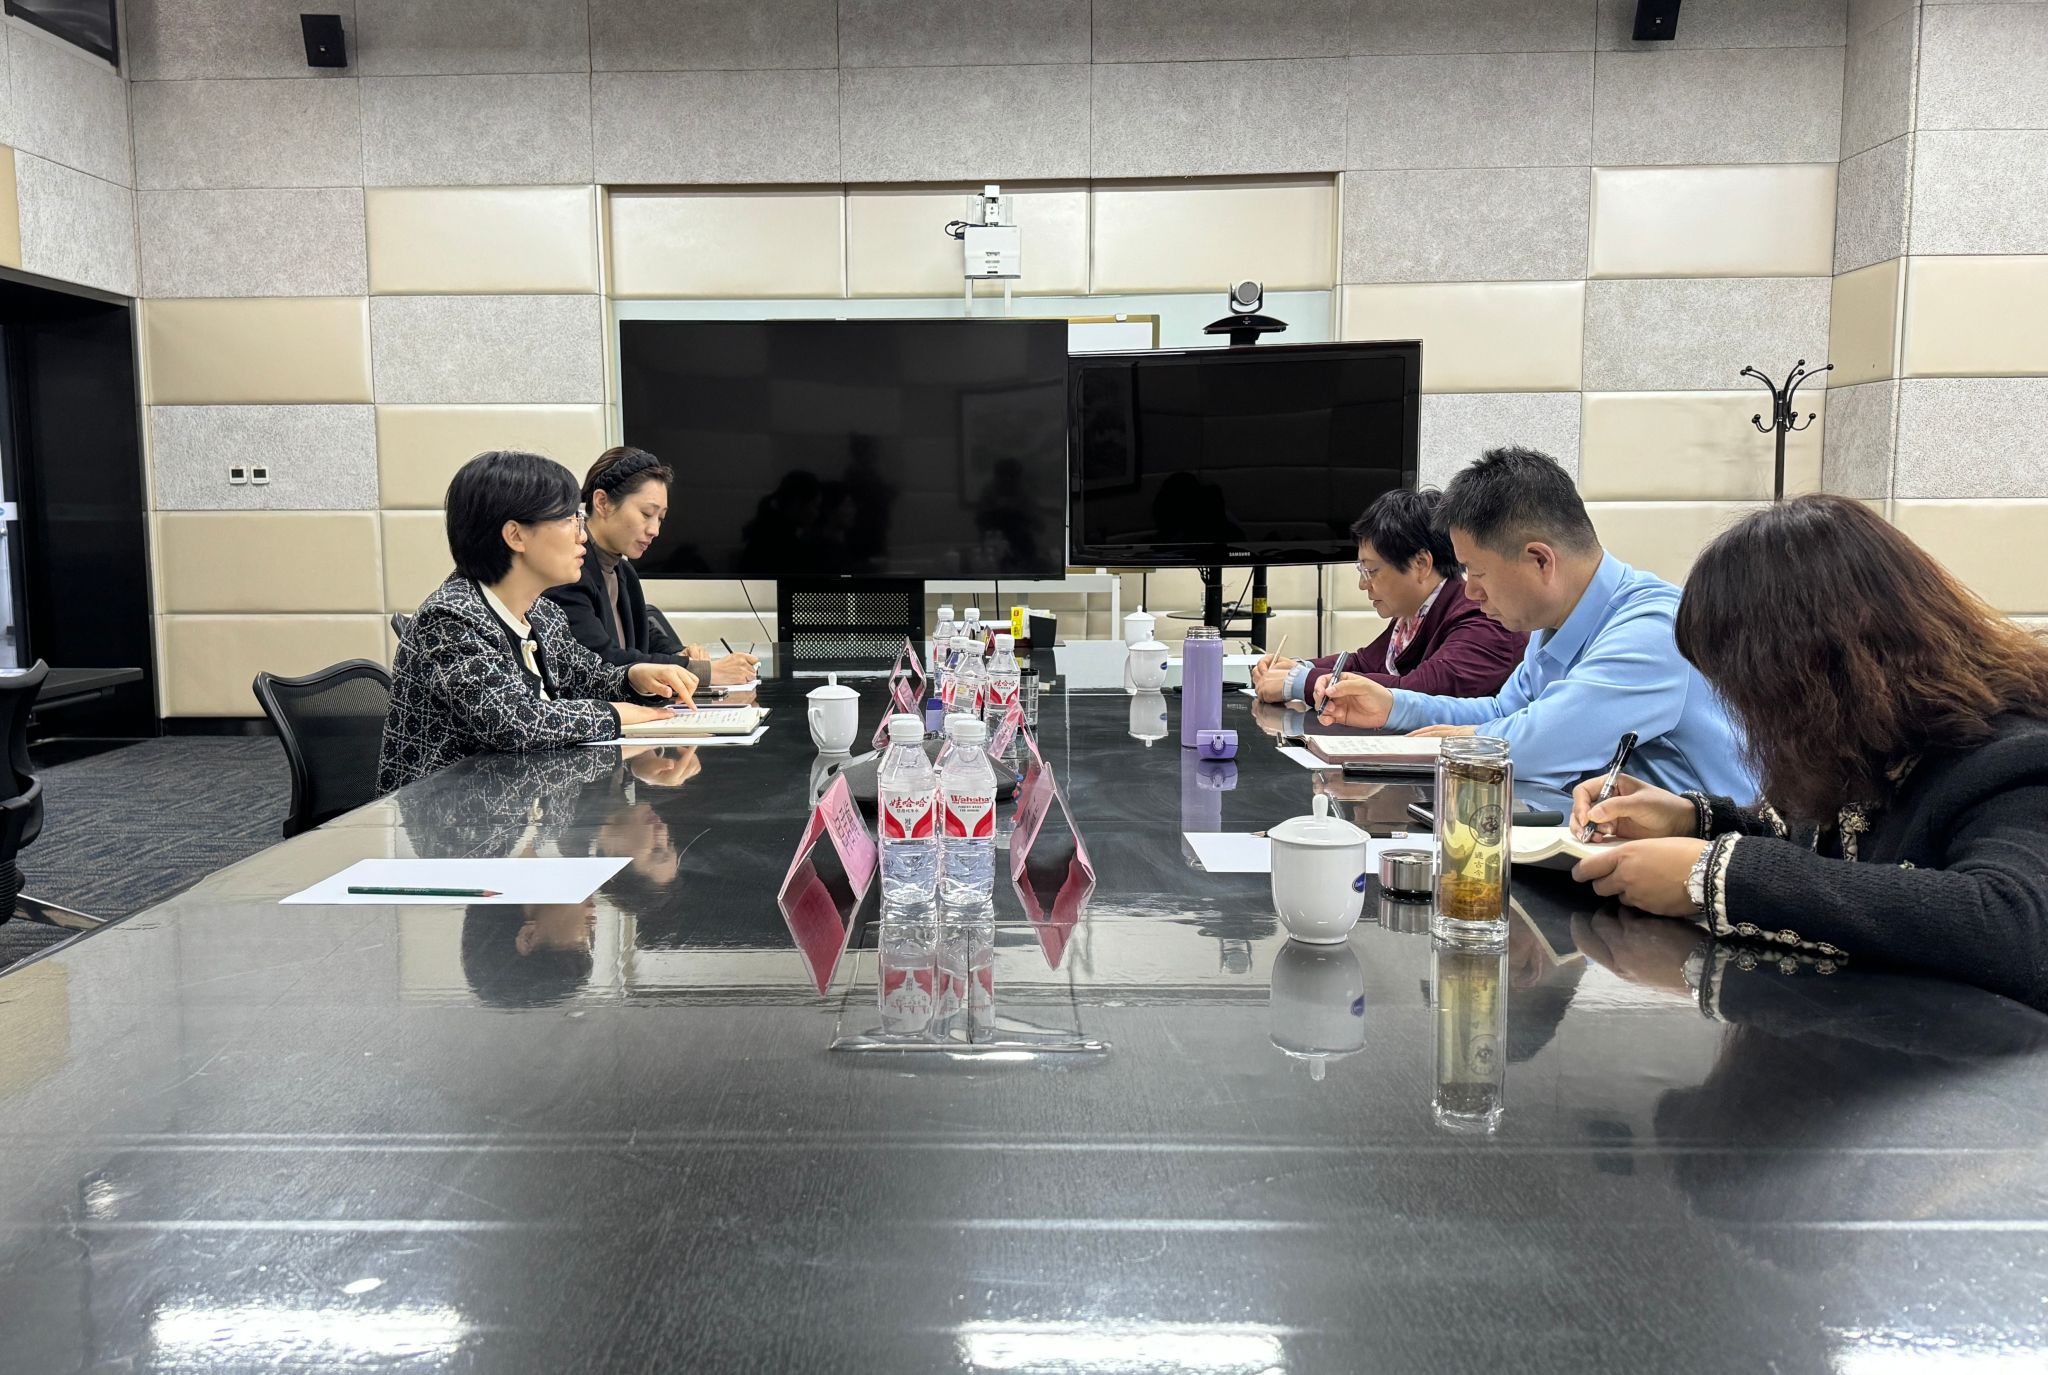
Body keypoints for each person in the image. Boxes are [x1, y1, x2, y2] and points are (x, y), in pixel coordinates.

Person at [1567, 494, 2048, 1005]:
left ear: (1817, 670)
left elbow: (2012, 926)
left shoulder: (2016, 760)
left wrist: (1714, 874)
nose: (1746, 711)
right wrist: (1691, 821)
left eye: (1749, 688)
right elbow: (1822, 843)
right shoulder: (1875, 742)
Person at [1317, 447, 1756, 809]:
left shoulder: (1655, 630)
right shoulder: (1555, 625)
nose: (1470, 592)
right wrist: (1393, 706)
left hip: (1697, 864)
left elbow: (1538, 744)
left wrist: (1453, 742)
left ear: (1540, 560)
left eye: (1477, 572)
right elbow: (1502, 713)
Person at [378, 450, 699, 794]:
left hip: (527, 809)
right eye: (568, 521)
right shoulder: (449, 618)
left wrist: (634, 679)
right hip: (451, 819)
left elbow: (588, 678)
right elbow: (515, 722)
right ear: (516, 536)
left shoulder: (543, 614)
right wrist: (615, 714)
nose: (582, 536)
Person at [1252, 487, 1526, 704]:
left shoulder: (1484, 620)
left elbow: (1417, 692)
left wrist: (1300, 682)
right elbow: (1363, 663)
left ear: (1421, 564)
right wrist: (1297, 666)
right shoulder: (1416, 613)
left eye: (1371, 570)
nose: (1363, 584)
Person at [543, 446, 758, 686]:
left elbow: (643, 633)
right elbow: (601, 660)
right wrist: (704, 671)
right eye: (646, 514)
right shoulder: (568, 573)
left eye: (660, 518)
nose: (655, 530)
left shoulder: (624, 571)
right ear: (602, 502)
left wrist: (678, 653)